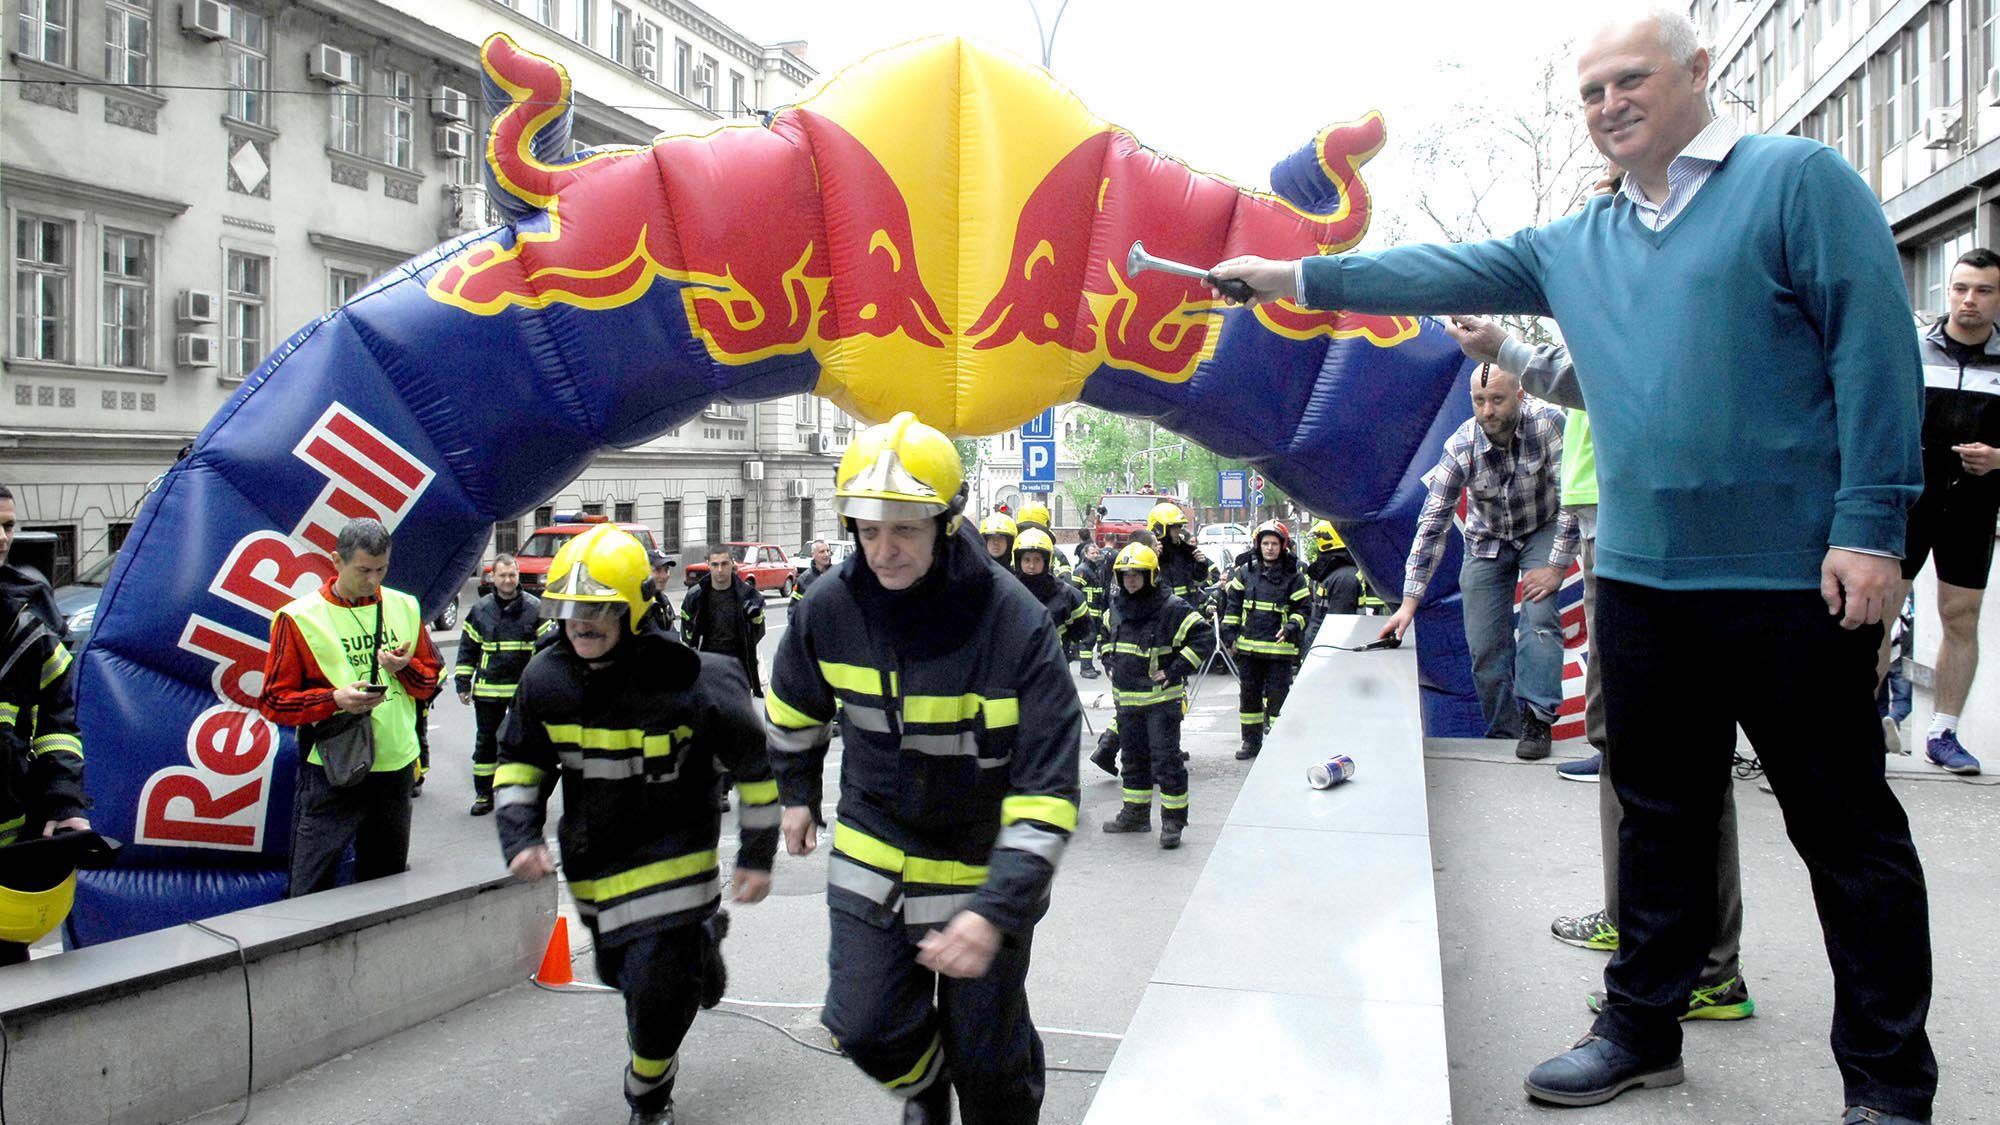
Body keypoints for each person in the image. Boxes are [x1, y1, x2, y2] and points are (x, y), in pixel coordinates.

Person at [1208, 9, 1934, 1120]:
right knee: (1657, 819)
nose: (1607, 107)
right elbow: (1428, 268)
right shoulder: (1576, 244)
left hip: (1794, 577)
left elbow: (1874, 352)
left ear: (1699, 72)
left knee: (1842, 833)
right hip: (1641, 583)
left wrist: (1870, 527)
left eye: (1628, 80)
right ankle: (1639, 1028)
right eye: (1589, 92)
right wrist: (1289, 278)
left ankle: (1885, 1084)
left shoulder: (1795, 181)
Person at [764, 412, 1080, 1125]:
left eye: (904, 528)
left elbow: (1048, 792)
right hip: (876, 845)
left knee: (990, 1066)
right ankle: (927, 1094)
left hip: (982, 863)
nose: (883, 549)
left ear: (946, 520)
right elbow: (792, 709)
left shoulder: (1015, 623)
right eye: (868, 529)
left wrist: (995, 910)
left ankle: (991, 1074)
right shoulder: (827, 609)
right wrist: (796, 795)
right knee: (864, 1024)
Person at [1451, 325, 1754, 1023]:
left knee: (1684, 748)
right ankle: (1634, 919)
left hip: (1650, 519)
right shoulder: (1605, 315)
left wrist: (1504, 345)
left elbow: (1604, 382)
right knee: (1616, 739)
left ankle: (1709, 966)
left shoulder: (1638, 321)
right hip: (1606, 522)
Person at [496, 524, 777, 1125]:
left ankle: (647, 1096)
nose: (580, 623)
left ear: (635, 609)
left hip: (678, 855)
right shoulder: (545, 679)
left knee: (653, 995)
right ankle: (700, 947)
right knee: (621, 972)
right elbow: (519, 762)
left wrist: (758, 853)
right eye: (570, 610)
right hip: (594, 862)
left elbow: (755, 766)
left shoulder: (698, 679)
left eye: (598, 609)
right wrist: (519, 836)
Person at [1376, 361, 1578, 758]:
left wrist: (1555, 568)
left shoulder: (1549, 424)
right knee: (1485, 647)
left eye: (1498, 400)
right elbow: (1432, 525)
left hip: (1542, 526)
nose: (1488, 411)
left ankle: (1537, 719)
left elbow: (1572, 498)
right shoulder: (1461, 445)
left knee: (1539, 621)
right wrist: (1409, 603)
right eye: (1480, 401)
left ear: (1520, 395)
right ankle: (1506, 730)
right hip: (1487, 540)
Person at [259, 517, 442, 897]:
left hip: (394, 767)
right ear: (336, 561)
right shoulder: (298, 617)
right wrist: (335, 700)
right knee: (310, 886)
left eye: (382, 569)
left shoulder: (405, 606)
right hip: (332, 771)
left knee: (386, 883)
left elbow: (430, 681)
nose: (373, 580)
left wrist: (404, 668)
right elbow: (274, 701)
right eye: (363, 571)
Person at [1902, 248, 2000, 777]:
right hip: (1908, 498)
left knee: (1960, 618)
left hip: (1973, 505)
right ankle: (1860, 730)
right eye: (1961, 288)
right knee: (1875, 615)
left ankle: (1944, 732)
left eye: (1983, 291)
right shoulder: (1912, 347)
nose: (1969, 300)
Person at [0, 484, 91, 966]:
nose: (2, 537)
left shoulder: (29, 609)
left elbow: (57, 723)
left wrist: (62, 801)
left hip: (11, 846)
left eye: (9, 526)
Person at [1097, 542, 1213, 848]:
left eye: (1138, 574)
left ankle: (1173, 822)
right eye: (1125, 575)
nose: (1131, 580)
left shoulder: (1171, 607)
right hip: (1127, 701)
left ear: (1151, 576)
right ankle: (1135, 814)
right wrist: (1108, 661)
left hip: (1161, 703)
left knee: (1166, 762)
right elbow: (1105, 637)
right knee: (1133, 760)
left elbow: (1203, 637)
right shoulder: (1117, 608)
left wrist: (1174, 669)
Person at [454, 553, 542, 817]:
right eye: (503, 575)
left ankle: (524, 794)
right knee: (486, 744)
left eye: (512, 575)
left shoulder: (535, 608)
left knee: (525, 744)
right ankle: (484, 794)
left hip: (523, 693)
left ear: (518, 576)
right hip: (489, 692)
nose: (508, 580)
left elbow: (548, 648)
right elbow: (467, 649)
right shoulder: (480, 611)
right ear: (493, 577)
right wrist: (462, 683)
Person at [1219, 520, 1309, 761]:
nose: (1270, 548)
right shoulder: (1245, 573)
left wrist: (1291, 627)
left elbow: (1304, 610)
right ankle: (1251, 741)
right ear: (1258, 546)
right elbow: (1233, 606)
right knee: (1249, 697)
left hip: (1280, 651)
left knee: (1278, 697)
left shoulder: (1294, 576)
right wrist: (1229, 635)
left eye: (1274, 544)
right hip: (1248, 650)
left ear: (1283, 546)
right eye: (1265, 543)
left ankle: (1279, 743)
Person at [680, 544, 765, 695]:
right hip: (707, 666)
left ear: (732, 563)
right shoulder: (696, 595)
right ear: (708, 565)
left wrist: (747, 646)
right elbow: (686, 627)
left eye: (724, 564)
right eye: (715, 564)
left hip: (737, 668)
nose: (720, 570)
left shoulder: (747, 595)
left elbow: (758, 629)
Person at [1012, 528, 1092, 657]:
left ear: (1046, 561)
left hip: (1053, 666)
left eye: (1037, 560)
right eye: (1027, 560)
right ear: (1018, 561)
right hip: (1018, 666)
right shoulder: (1010, 591)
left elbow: (1082, 628)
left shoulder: (1065, 593)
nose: (1031, 566)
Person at [1301, 519, 1362, 653]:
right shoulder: (1336, 574)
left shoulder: (1343, 578)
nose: (1317, 544)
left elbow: (1339, 625)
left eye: (1319, 539)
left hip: (1327, 650)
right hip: (1320, 647)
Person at [1145, 502, 1217, 615]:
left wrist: (1201, 564)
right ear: (1160, 528)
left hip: (1186, 612)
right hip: (1161, 615)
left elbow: (1198, 582)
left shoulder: (1185, 551)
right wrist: (1153, 558)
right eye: (1175, 526)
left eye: (1180, 526)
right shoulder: (1148, 555)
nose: (1179, 530)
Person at [1074, 541, 1109, 680]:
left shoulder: (1095, 569)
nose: (1095, 555)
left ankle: (1089, 666)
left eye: (1096, 553)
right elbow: (1075, 590)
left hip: (1096, 611)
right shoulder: (1082, 570)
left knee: (1093, 639)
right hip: (1087, 611)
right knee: (1087, 640)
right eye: (1092, 553)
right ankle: (1085, 668)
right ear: (1086, 554)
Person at [793, 537, 836, 603]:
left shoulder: (838, 575)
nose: (826, 554)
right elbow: (794, 606)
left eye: (828, 551)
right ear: (813, 555)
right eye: (822, 552)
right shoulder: (803, 579)